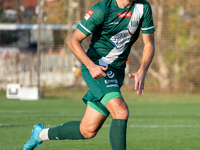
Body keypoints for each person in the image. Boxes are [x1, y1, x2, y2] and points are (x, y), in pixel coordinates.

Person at [23, 0, 155, 149]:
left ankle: (40, 134)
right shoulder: (101, 10)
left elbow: (149, 44)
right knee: (121, 111)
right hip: (96, 67)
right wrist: (91, 66)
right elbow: (73, 41)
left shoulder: (143, 7)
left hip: (116, 73)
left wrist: (142, 70)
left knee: (87, 130)